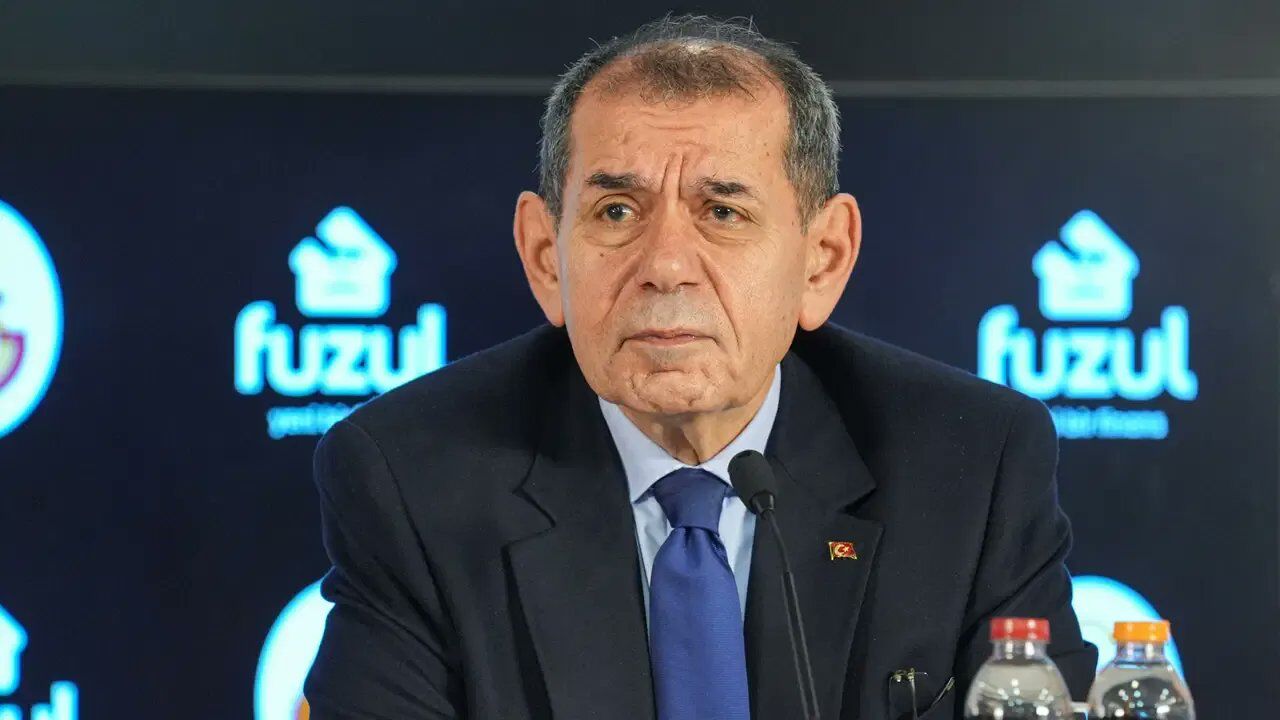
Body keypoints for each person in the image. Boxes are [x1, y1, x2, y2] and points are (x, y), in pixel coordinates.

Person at [304, 15, 1096, 720]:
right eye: (617, 211)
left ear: (822, 259)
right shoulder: (411, 479)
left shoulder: (970, 467)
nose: (666, 266)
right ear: (546, 256)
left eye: (723, 212)